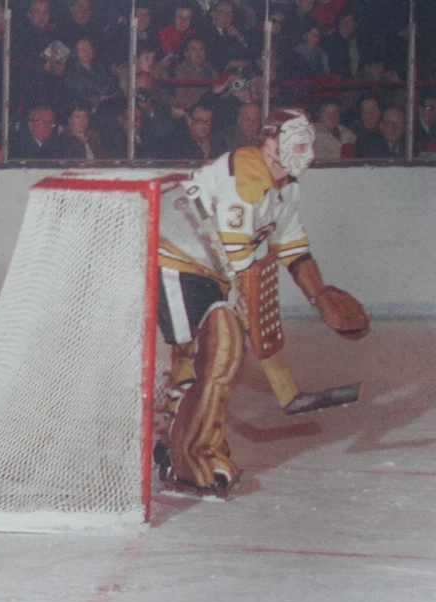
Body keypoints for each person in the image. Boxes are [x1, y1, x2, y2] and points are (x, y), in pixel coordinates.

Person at [154, 108, 369, 493]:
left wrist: (317, 293)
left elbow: (291, 243)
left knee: (208, 356)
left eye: (310, 145)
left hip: (211, 270)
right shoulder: (248, 173)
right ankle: (187, 455)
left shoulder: (286, 186)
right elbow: (241, 259)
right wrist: (252, 316)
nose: (309, 153)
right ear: (271, 143)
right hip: (177, 259)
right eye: (299, 145)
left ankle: (173, 432)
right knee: (222, 350)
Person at [312, 96, 356, 161]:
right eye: (328, 113)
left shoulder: (347, 133)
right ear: (319, 116)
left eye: (335, 113)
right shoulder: (313, 136)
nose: (332, 117)